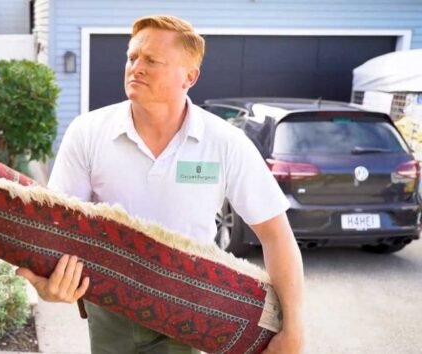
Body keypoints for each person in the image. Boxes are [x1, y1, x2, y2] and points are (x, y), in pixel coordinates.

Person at [16, 14, 304, 354]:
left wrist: (293, 331)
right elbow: (58, 229)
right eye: (132, 57)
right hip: (110, 308)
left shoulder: (225, 142)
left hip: (194, 310)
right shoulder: (88, 132)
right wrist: (49, 284)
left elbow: (276, 235)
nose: (136, 67)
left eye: (152, 60)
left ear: (190, 77)